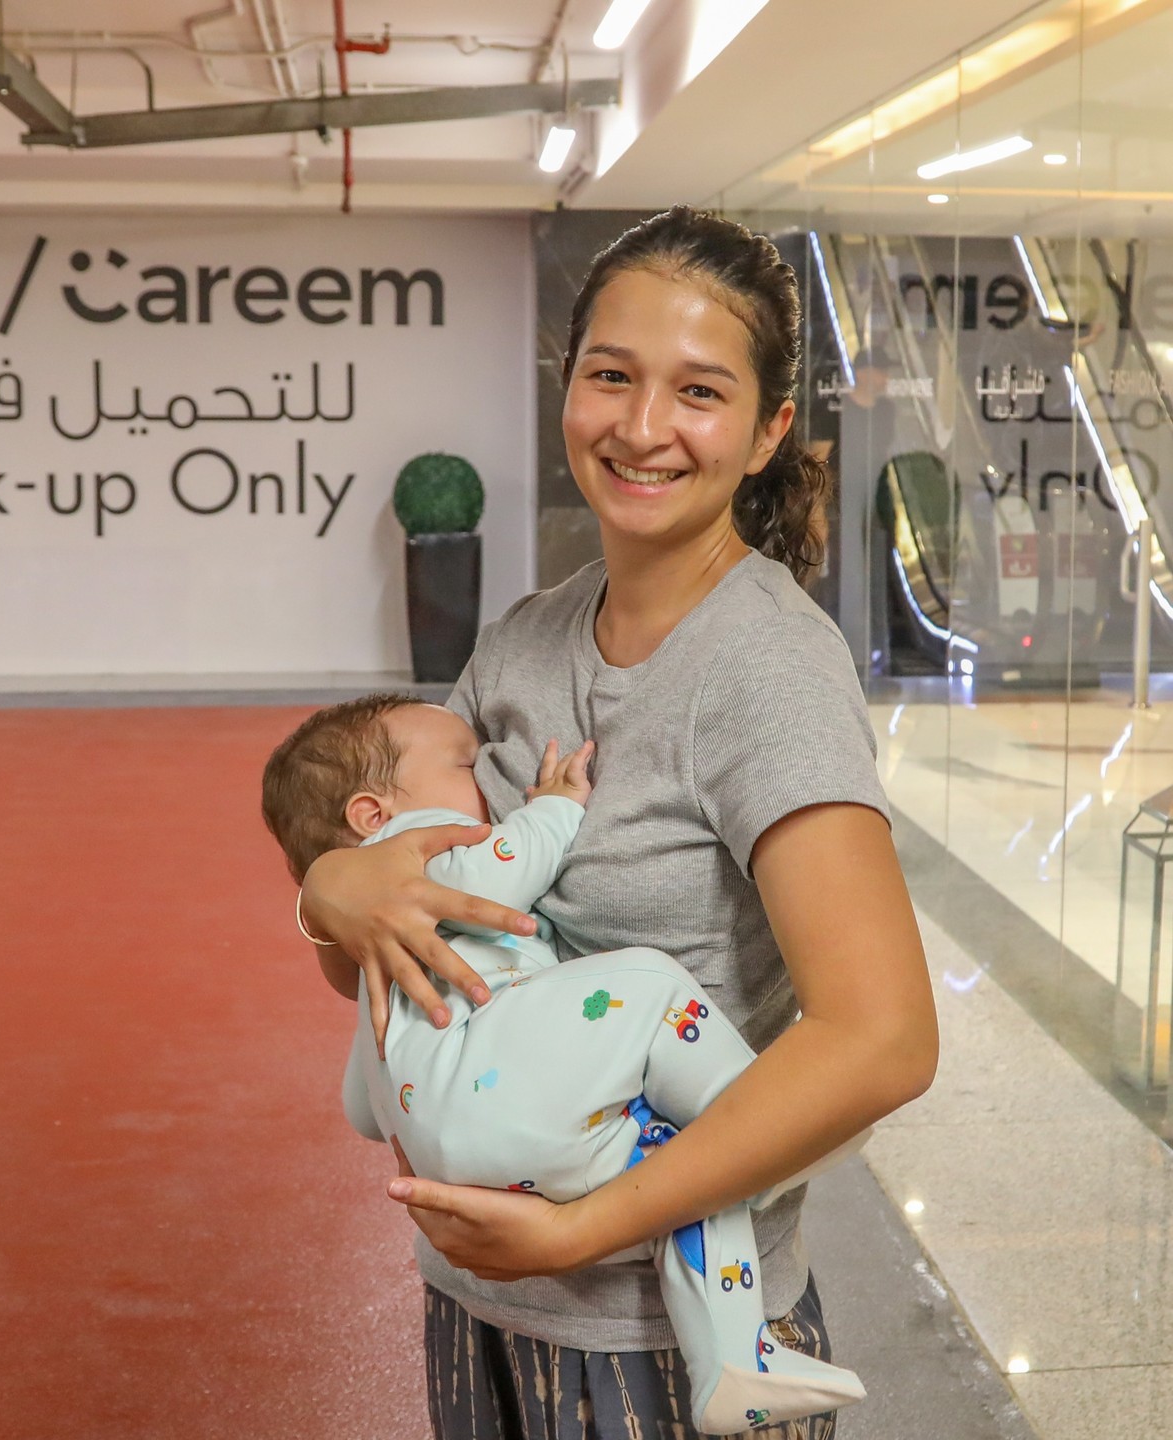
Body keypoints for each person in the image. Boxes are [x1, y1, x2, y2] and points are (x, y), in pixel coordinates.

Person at [297, 207, 939, 1440]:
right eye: (611, 376)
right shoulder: (525, 636)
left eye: (699, 391)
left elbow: (884, 1038)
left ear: (766, 435)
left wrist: (586, 1230)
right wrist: (332, 887)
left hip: (667, 1342)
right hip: (482, 1304)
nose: (642, 428)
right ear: (569, 389)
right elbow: (416, 934)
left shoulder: (766, 675)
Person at [262, 696, 868, 1434]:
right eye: (465, 763)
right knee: (648, 985)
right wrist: (551, 807)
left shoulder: (375, 961)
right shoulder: (415, 848)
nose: (487, 774)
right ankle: (761, 1116)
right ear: (372, 813)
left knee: (674, 1165)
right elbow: (500, 873)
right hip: (500, 1088)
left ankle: (735, 1358)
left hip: (460, 1159)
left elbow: (362, 1107)